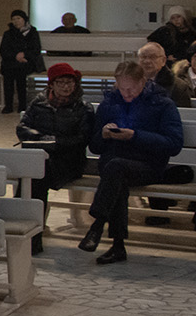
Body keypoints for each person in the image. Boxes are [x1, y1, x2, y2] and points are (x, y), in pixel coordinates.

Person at [82, 58, 185, 265]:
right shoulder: (109, 103)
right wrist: (103, 134)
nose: (126, 94)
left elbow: (174, 144)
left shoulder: (162, 104)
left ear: (142, 82)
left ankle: (98, 226)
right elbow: (95, 147)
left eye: (131, 89)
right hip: (114, 166)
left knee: (116, 170)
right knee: (116, 173)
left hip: (148, 166)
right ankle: (116, 245)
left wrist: (135, 136)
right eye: (122, 89)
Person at [17, 63, 92, 195]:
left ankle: (29, 207)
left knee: (38, 171)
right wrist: (39, 138)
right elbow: (23, 128)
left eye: (69, 82)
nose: (66, 86)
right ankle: (27, 206)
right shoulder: (38, 103)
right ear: (51, 84)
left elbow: (83, 138)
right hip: (41, 155)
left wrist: (55, 142)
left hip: (68, 160)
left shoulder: (83, 108)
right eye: (61, 82)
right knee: (33, 168)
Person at [0, 10, 44, 113]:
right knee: (8, 74)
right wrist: (16, 56)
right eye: (13, 19)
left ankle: (22, 105)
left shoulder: (32, 33)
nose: (16, 21)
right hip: (10, 61)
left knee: (20, 74)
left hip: (27, 61)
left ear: (24, 19)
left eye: (18, 18)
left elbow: (36, 49)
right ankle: (8, 105)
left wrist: (24, 55)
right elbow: (3, 50)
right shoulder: (8, 34)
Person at [138, 42, 193, 108]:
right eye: (143, 57)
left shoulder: (178, 87)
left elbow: (183, 113)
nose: (147, 61)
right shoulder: (130, 83)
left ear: (163, 61)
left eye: (152, 57)